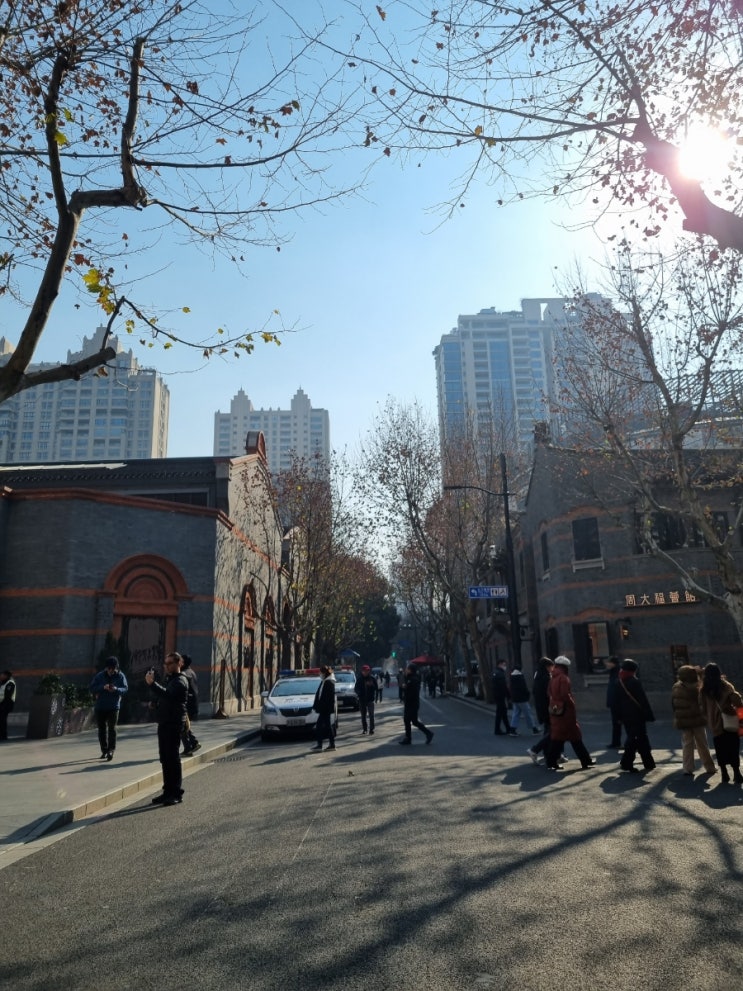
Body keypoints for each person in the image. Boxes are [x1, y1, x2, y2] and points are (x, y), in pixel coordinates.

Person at [146, 652, 188, 805]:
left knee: (172, 758)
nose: (167, 666)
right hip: (164, 722)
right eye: (166, 663)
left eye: (170, 663)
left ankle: (176, 793)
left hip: (173, 723)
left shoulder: (181, 680)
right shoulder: (170, 679)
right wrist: (155, 703)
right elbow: (165, 697)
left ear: (179, 663)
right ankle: (167, 791)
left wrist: (152, 684)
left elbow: (169, 695)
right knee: (165, 758)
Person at [545, 656, 595, 770]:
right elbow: (565, 695)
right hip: (566, 712)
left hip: (556, 710)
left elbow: (549, 693)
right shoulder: (563, 678)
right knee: (575, 737)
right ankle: (586, 760)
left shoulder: (553, 677)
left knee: (558, 738)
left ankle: (551, 762)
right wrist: (572, 704)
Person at [700, 663, 742, 784]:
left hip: (715, 724)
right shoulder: (726, 686)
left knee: (720, 749)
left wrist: (709, 718)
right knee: (733, 747)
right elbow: (737, 701)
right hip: (729, 720)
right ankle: (737, 773)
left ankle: (724, 773)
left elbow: (702, 707)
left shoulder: (704, 690)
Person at [671, 665, 716, 777]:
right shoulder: (697, 687)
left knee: (687, 744)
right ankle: (709, 767)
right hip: (697, 719)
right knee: (702, 744)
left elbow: (673, 704)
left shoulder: (676, 687)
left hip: (683, 720)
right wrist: (700, 672)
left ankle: (687, 768)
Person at [616, 659, 656, 773]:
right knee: (636, 738)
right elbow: (642, 699)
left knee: (638, 737)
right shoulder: (634, 681)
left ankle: (648, 763)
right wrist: (649, 715)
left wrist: (618, 717)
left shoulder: (619, 681)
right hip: (637, 714)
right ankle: (627, 763)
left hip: (625, 715)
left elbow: (615, 702)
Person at [89, 657, 128, 761]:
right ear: (106, 668)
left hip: (113, 707)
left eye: (113, 668)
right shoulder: (100, 676)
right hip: (100, 706)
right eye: (109, 668)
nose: (111, 670)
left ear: (116, 667)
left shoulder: (120, 676)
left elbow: (125, 688)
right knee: (102, 729)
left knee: (112, 728)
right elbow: (92, 688)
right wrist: (103, 687)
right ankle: (104, 750)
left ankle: (111, 750)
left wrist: (116, 689)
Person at [399, 662, 434, 745]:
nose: (406, 670)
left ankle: (427, 733)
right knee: (410, 720)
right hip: (410, 703)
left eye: (407, 669)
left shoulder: (413, 679)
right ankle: (409, 738)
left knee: (411, 720)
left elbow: (412, 692)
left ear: (410, 670)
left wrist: (406, 691)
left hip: (412, 703)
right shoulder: (410, 678)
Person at [527, 657, 554, 764]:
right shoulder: (546, 678)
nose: (552, 668)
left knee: (548, 731)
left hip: (541, 709)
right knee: (553, 732)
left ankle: (548, 754)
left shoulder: (538, 677)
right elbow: (550, 695)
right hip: (548, 708)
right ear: (547, 667)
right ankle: (535, 750)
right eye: (551, 666)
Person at [180, 653, 201, 756]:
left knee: (182, 726)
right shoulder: (191, 672)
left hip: (187, 704)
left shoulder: (184, 674)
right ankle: (194, 743)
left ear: (183, 663)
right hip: (192, 703)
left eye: (180, 661)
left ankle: (188, 748)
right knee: (184, 726)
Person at [508, 667, 540, 736]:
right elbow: (524, 688)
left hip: (515, 699)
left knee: (516, 714)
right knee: (528, 714)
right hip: (522, 699)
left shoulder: (512, 677)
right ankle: (534, 729)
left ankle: (512, 730)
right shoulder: (520, 677)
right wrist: (527, 695)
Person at [312, 665, 336, 751]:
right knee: (327, 726)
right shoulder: (325, 681)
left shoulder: (328, 682)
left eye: (321, 672)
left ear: (324, 673)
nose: (320, 674)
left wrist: (323, 707)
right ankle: (331, 744)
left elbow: (328, 698)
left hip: (325, 709)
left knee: (320, 726)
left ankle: (320, 745)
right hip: (324, 709)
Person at [605, 655, 623, 749]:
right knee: (616, 723)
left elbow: (617, 689)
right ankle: (616, 742)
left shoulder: (618, 673)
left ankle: (618, 742)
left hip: (618, 703)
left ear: (613, 663)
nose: (607, 664)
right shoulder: (613, 671)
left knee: (619, 723)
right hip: (614, 702)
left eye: (608, 662)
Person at [355, 664, 377, 735]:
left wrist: (371, 685)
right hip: (362, 700)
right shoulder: (359, 679)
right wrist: (359, 693)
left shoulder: (372, 678)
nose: (365, 672)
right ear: (362, 671)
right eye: (364, 671)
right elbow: (356, 688)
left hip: (370, 700)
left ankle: (371, 729)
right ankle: (365, 729)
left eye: (367, 671)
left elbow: (376, 688)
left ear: (369, 671)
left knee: (371, 715)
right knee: (363, 716)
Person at [492, 659, 511, 735]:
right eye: (504, 665)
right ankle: (498, 729)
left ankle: (507, 728)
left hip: (497, 695)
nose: (505, 666)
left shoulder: (495, 672)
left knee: (502, 712)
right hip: (500, 695)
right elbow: (503, 686)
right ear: (499, 664)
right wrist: (508, 696)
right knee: (501, 713)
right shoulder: (500, 674)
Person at [0, 670, 16, 741]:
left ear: (6, 676)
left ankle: (3, 736)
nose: (0, 676)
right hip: (2, 704)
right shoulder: (4, 683)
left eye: (2, 675)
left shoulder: (10, 683)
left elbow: (8, 696)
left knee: (2, 720)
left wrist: (3, 706)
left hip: (6, 704)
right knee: (1, 720)